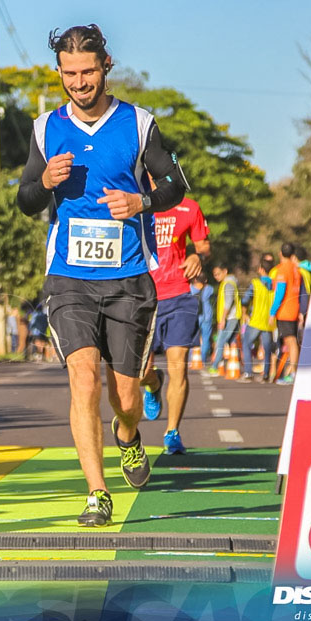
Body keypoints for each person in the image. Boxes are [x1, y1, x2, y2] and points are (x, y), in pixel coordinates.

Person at [16, 24, 186, 527]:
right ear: (60, 73)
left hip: (130, 275)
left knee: (125, 396)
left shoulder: (138, 124)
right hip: (68, 276)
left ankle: (129, 436)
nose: (80, 82)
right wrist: (44, 182)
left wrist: (143, 201)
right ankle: (96, 494)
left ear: (105, 65)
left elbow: (177, 184)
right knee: (82, 378)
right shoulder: (46, 127)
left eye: (88, 71)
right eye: (70, 73)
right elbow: (26, 200)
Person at [138, 195, 210, 455]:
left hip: (179, 296)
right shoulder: (132, 199)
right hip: (142, 297)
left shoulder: (188, 207)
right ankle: (154, 383)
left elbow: (203, 245)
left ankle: (172, 433)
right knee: (140, 370)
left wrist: (195, 256)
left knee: (179, 368)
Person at [239, 255, 275, 383]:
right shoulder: (275, 284)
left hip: (256, 320)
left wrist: (244, 313)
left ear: (260, 269)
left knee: (246, 344)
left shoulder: (255, 284)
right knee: (267, 349)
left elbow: (246, 300)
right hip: (270, 322)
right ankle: (266, 375)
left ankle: (248, 372)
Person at [271, 243, 302, 384]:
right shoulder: (296, 269)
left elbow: (280, 292)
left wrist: (272, 312)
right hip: (295, 308)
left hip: (285, 310)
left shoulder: (283, 269)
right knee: (292, 341)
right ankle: (292, 371)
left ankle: (293, 372)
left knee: (291, 341)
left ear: (280, 253)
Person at [208, 264, 242, 375]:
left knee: (221, 341)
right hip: (232, 317)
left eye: (218, 274)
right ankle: (238, 365)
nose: (216, 277)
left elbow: (228, 302)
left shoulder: (228, 284)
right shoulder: (226, 283)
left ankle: (215, 366)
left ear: (225, 271)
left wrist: (223, 319)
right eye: (215, 275)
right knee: (231, 341)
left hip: (230, 318)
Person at [192, 273, 214, 365]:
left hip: (195, 316)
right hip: (207, 316)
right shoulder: (209, 289)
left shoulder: (191, 288)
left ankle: (192, 358)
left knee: (192, 337)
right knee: (205, 338)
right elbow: (212, 291)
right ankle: (203, 358)